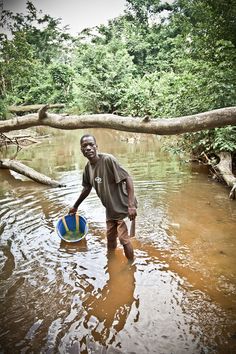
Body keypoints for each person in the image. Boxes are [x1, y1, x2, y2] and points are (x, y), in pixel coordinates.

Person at [69, 134, 137, 260]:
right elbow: (86, 188)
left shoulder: (108, 160)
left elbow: (128, 178)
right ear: (81, 150)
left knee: (124, 239)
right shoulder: (87, 169)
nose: (88, 148)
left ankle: (130, 267)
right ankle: (111, 263)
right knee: (110, 240)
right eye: (85, 146)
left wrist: (131, 205)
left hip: (123, 207)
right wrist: (75, 206)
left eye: (91, 145)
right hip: (110, 210)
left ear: (96, 147)